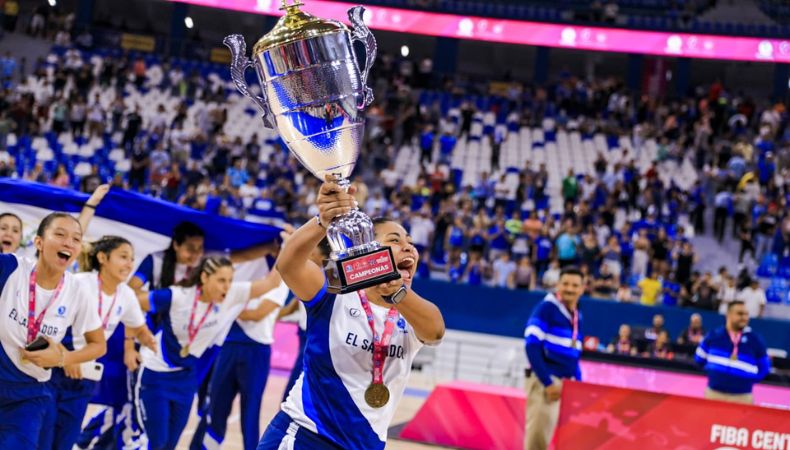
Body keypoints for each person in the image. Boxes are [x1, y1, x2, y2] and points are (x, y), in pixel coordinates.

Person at [258, 177, 445, 450]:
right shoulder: (336, 293)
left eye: (410, 242)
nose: (409, 248)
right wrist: (322, 220)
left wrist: (397, 293)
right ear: (368, 250)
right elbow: (289, 265)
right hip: (306, 436)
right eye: (394, 240)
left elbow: (436, 331)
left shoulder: (411, 312)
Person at [134, 256, 282, 450]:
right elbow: (133, 301)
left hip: (186, 379)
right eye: (221, 280)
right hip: (156, 375)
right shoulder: (178, 296)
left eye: (230, 280)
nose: (227, 286)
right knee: (157, 442)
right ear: (204, 277)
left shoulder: (231, 295)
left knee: (170, 444)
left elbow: (272, 282)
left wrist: (288, 248)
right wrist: (136, 336)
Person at [0, 212, 107, 448]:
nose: (69, 242)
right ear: (38, 242)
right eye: (60, 234)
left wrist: (63, 357)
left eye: (76, 239)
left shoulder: (78, 291)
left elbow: (98, 344)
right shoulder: (9, 267)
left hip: (28, 394)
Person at [43, 236, 157, 450]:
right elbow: (49, 320)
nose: (129, 264)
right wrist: (65, 355)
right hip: (53, 370)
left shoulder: (126, 295)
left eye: (131, 259)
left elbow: (138, 326)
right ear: (103, 258)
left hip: (83, 376)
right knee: (42, 435)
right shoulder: (79, 282)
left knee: (65, 439)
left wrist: (147, 339)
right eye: (123, 257)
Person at [190, 269, 290, 450]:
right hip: (228, 344)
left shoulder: (279, 277)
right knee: (214, 409)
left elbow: (258, 313)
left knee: (250, 414)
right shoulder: (241, 271)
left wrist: (228, 306)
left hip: (256, 351)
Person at [523, 266, 585, 450]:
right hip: (547, 382)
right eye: (565, 283)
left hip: (566, 384)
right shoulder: (546, 308)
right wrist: (547, 382)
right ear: (558, 284)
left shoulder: (577, 315)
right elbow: (531, 345)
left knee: (554, 439)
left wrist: (579, 383)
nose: (570, 289)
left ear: (582, 288)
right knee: (537, 441)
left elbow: (574, 354)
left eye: (575, 285)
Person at [695, 301, 770, 404]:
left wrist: (747, 381)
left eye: (746, 314)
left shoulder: (755, 340)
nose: (744, 317)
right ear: (728, 315)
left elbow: (765, 367)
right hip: (714, 394)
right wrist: (714, 374)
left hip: (742, 397)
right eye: (740, 314)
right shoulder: (713, 335)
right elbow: (699, 358)